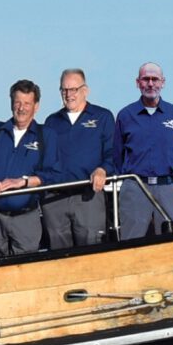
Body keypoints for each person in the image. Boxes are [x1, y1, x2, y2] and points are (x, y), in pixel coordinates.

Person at [39, 67, 117, 250]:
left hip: (88, 196)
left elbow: (114, 152)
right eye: (64, 89)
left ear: (85, 90)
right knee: (59, 257)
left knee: (92, 253)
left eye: (73, 89)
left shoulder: (103, 117)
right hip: (55, 200)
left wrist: (103, 169)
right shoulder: (51, 121)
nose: (69, 94)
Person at [115, 62, 173, 239]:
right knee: (131, 242)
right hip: (135, 189)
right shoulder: (125, 115)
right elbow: (116, 154)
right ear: (138, 82)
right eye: (145, 79)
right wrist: (129, 180)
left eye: (155, 79)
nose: (150, 84)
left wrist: (171, 175)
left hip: (167, 188)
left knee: (172, 243)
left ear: (163, 82)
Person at [0, 79, 50, 257]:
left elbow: (53, 173)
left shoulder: (46, 135)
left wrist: (23, 182)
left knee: (27, 268)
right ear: (11, 103)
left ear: (36, 106)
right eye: (18, 102)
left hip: (26, 217)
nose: (21, 108)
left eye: (27, 103)